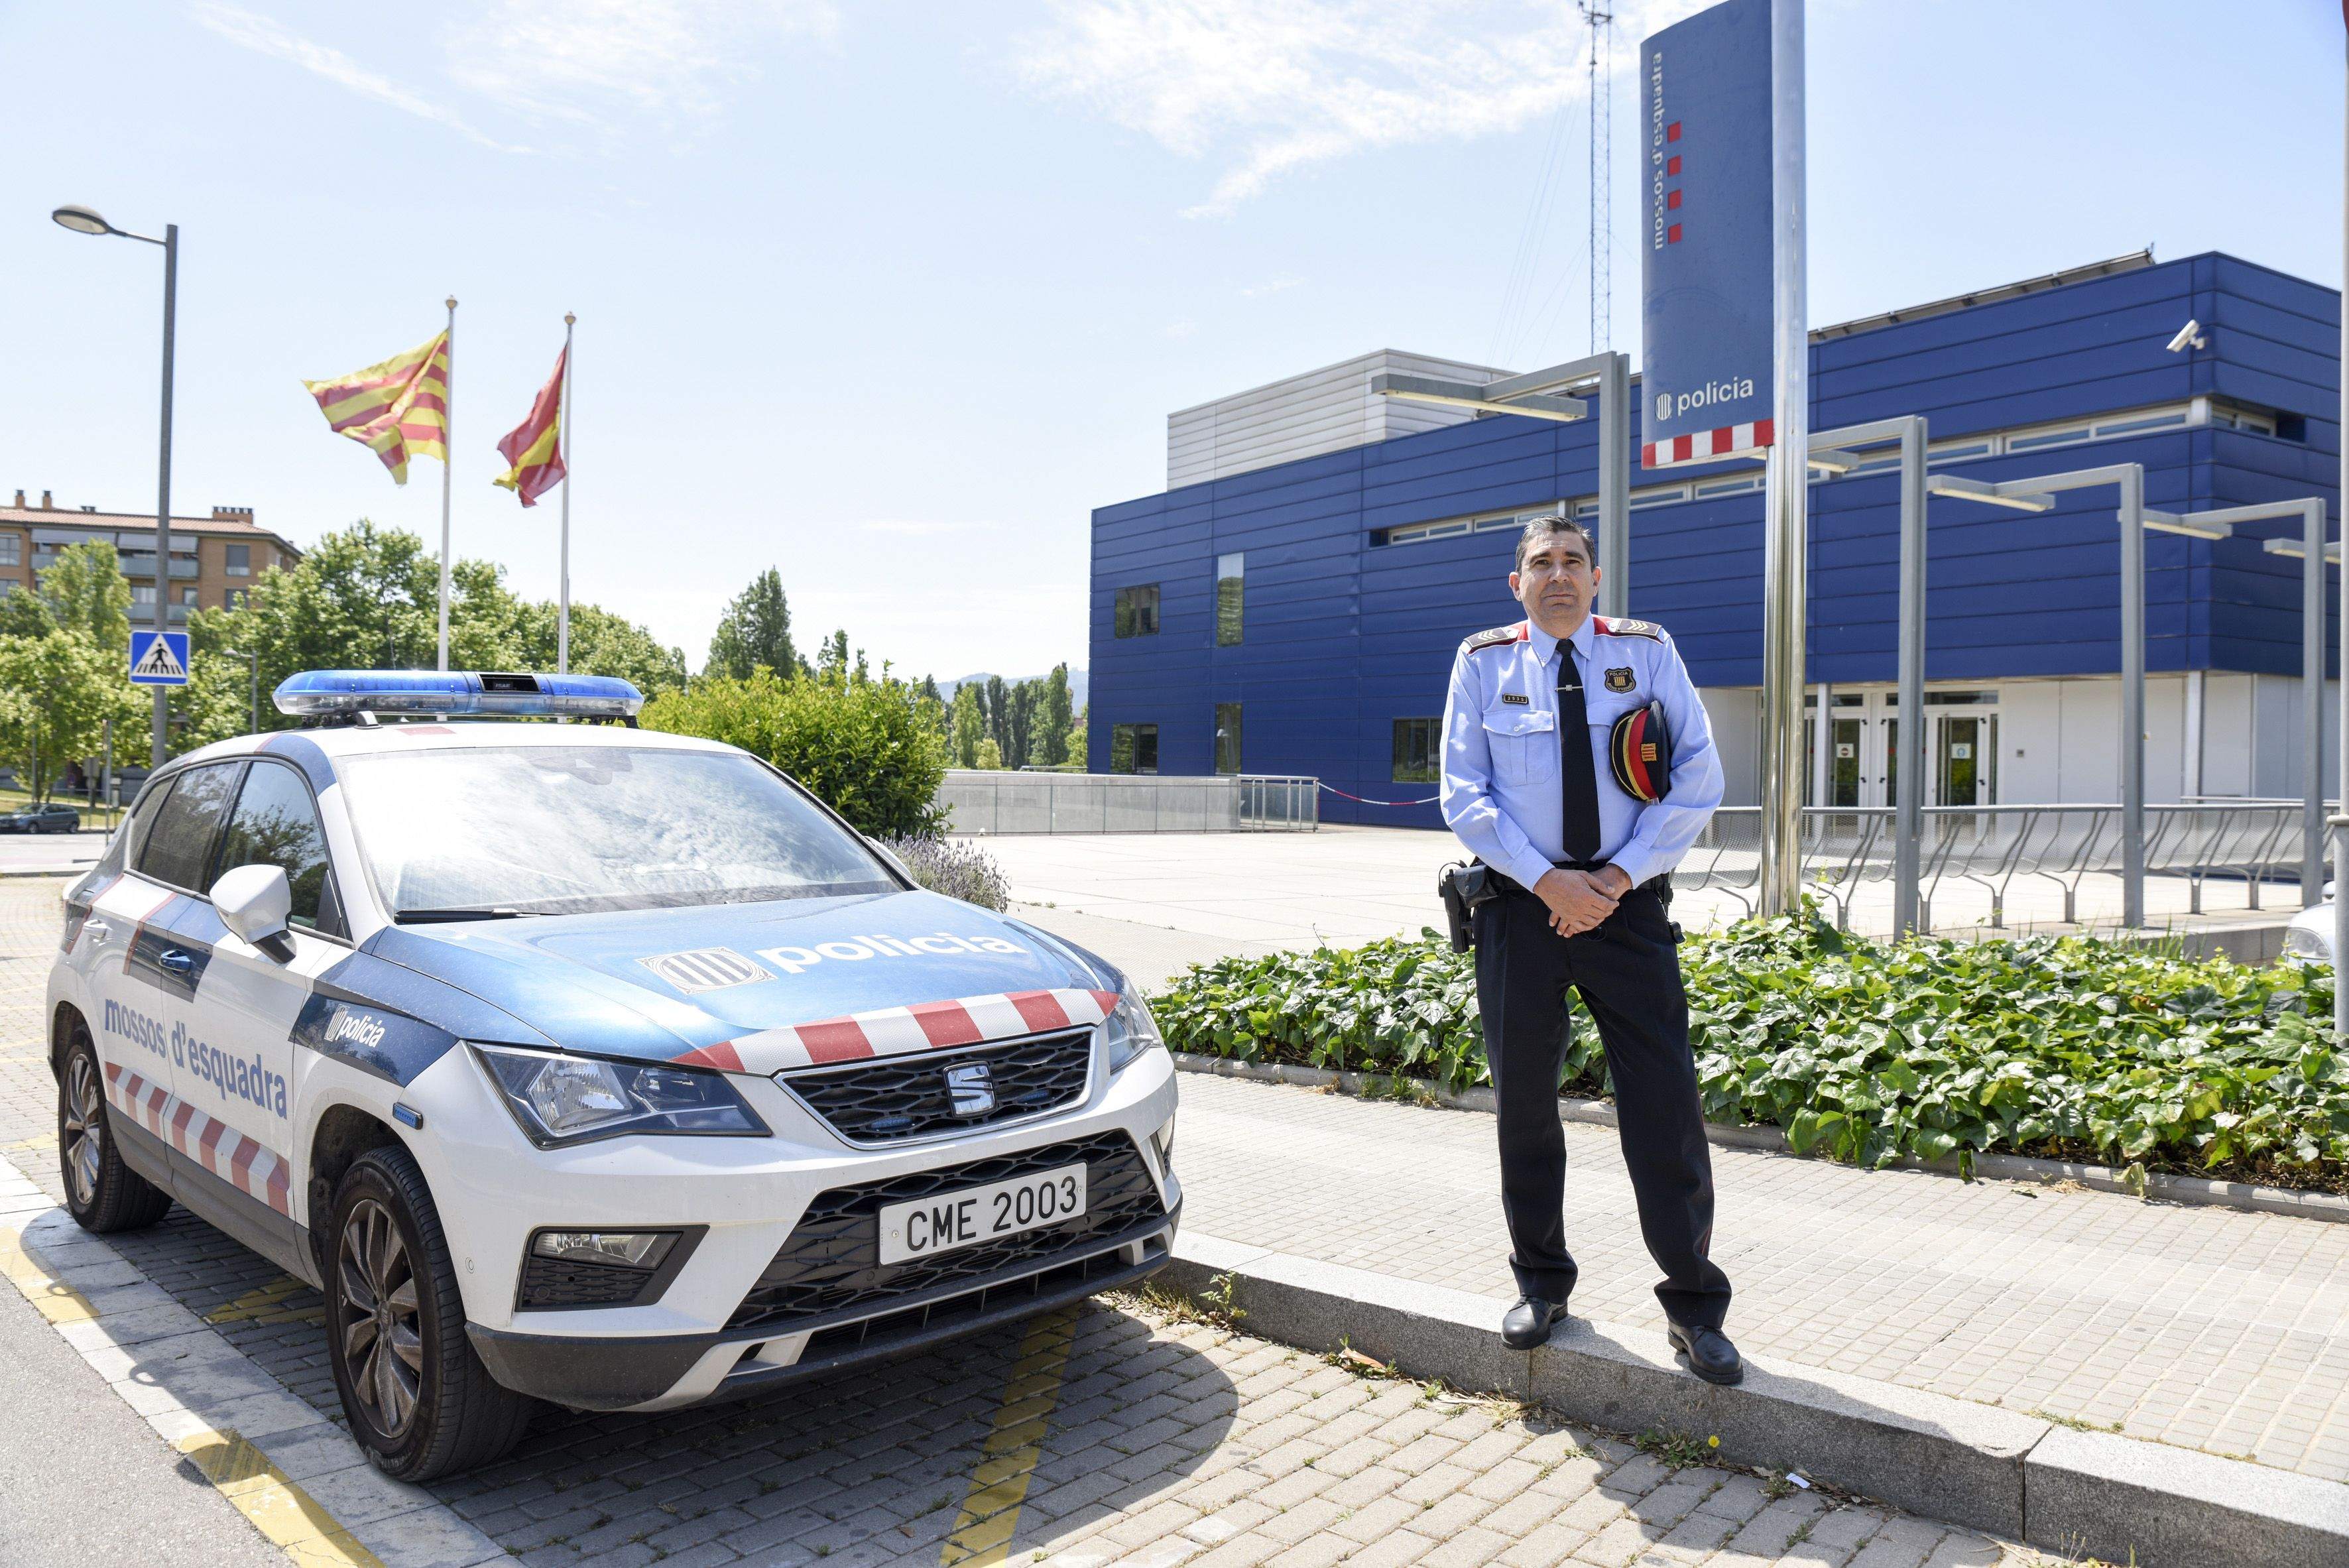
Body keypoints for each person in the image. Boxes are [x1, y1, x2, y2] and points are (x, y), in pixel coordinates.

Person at [1437, 513, 1740, 1383]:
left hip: (1627, 907)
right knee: (1525, 1105)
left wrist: (1614, 878)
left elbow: (1700, 775)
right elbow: (1465, 793)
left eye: (1574, 560)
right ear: (1517, 583)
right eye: (1542, 562)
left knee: (1665, 1104)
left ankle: (1694, 1306)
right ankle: (1542, 1284)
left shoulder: (1645, 653)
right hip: (1520, 910)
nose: (1559, 574)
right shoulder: (1483, 661)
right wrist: (1549, 883)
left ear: (1597, 577)